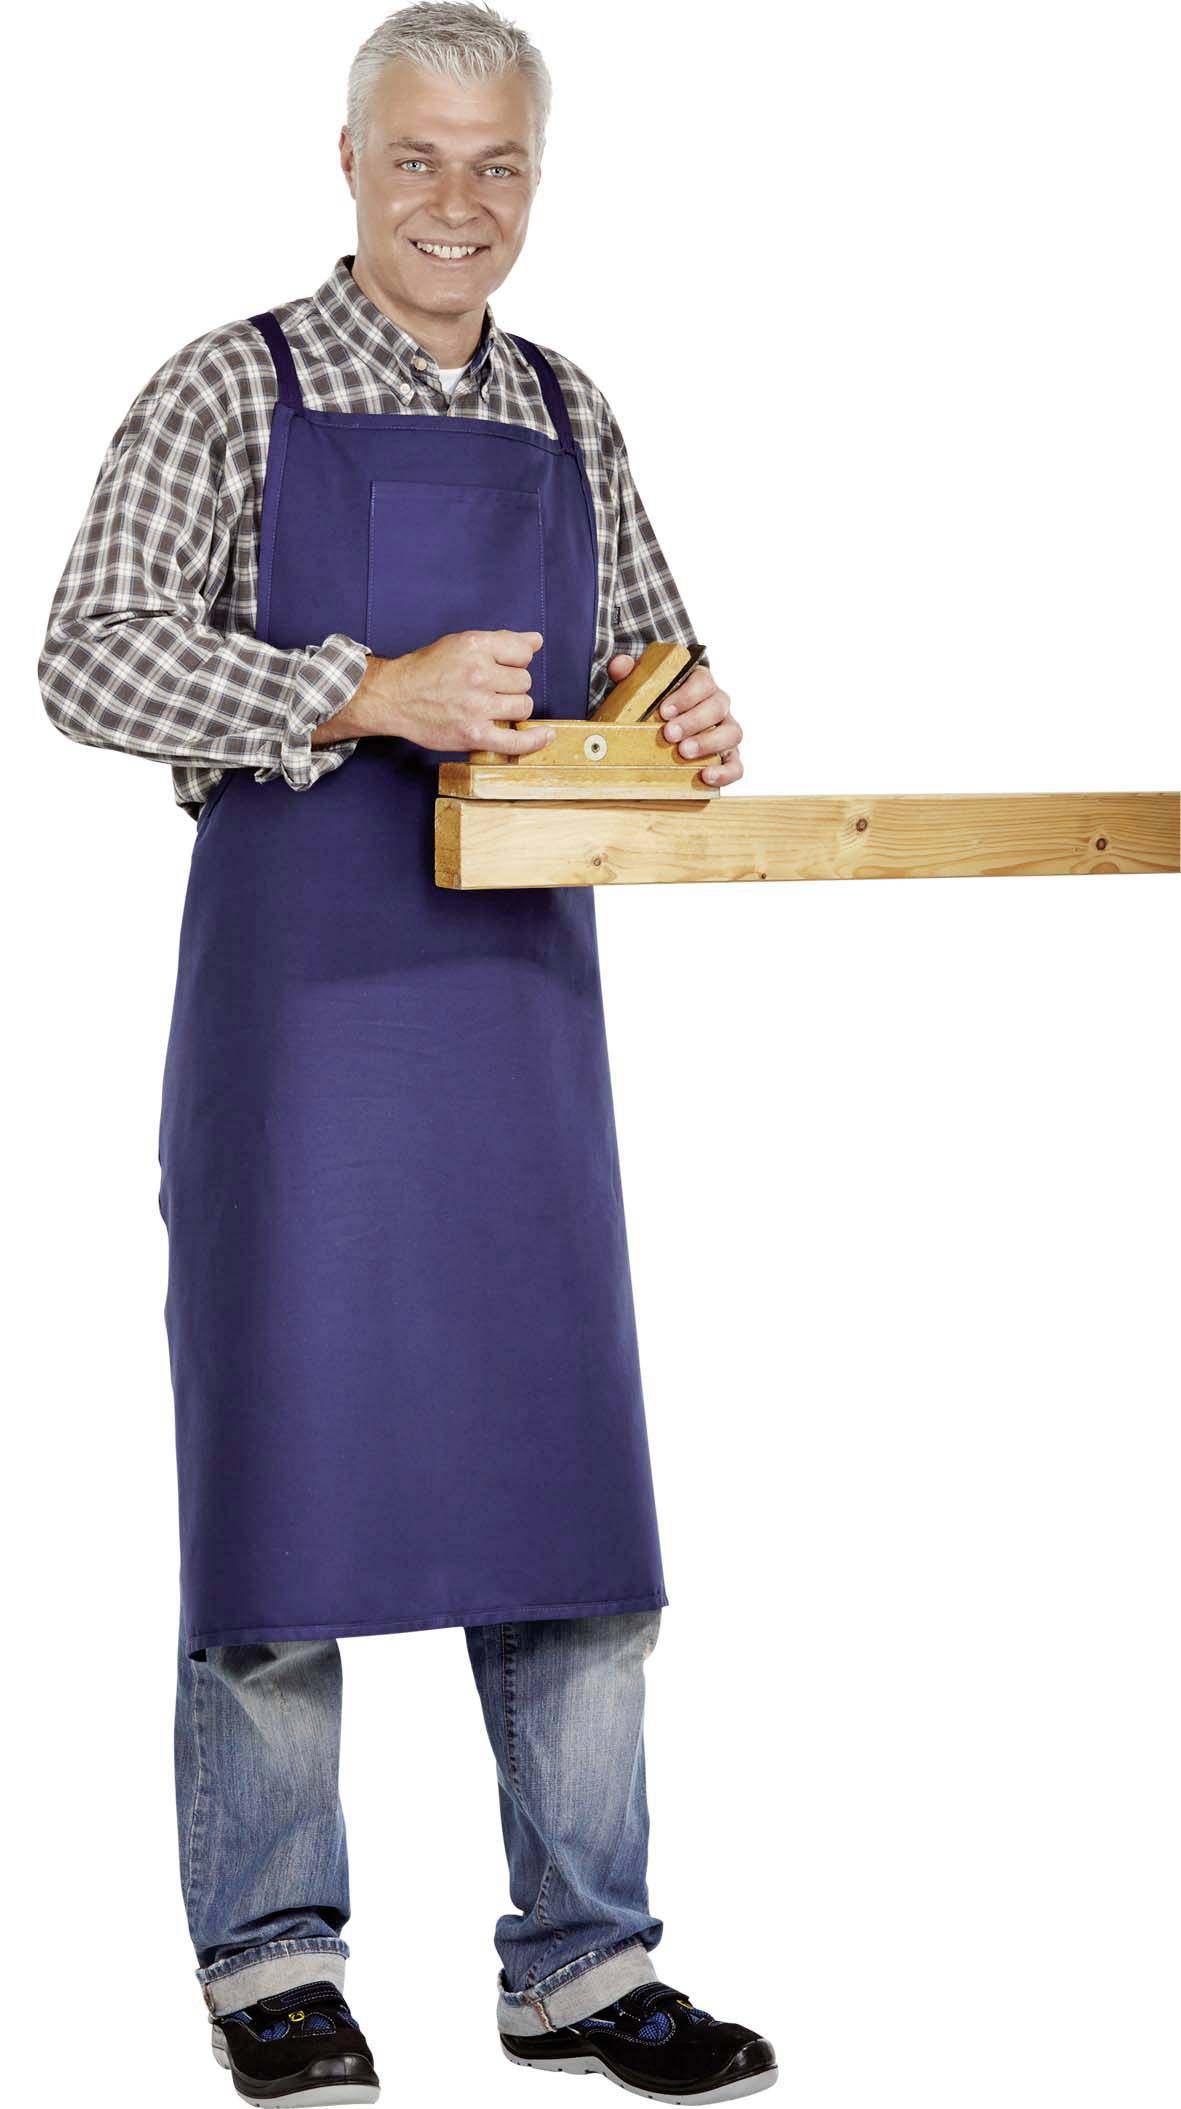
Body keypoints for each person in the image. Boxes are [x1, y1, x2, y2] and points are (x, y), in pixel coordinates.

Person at [38, 5, 766, 2103]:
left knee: (563, 1471)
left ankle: (584, 1955)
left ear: (538, 175)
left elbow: (651, 657)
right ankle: (271, 1955)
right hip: (303, 1021)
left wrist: (692, 713)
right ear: (347, 162)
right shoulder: (227, 388)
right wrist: (371, 685)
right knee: (285, 1469)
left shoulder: (569, 407)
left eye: (501, 166)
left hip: (517, 1028)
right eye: (423, 159)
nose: (462, 204)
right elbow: (84, 647)